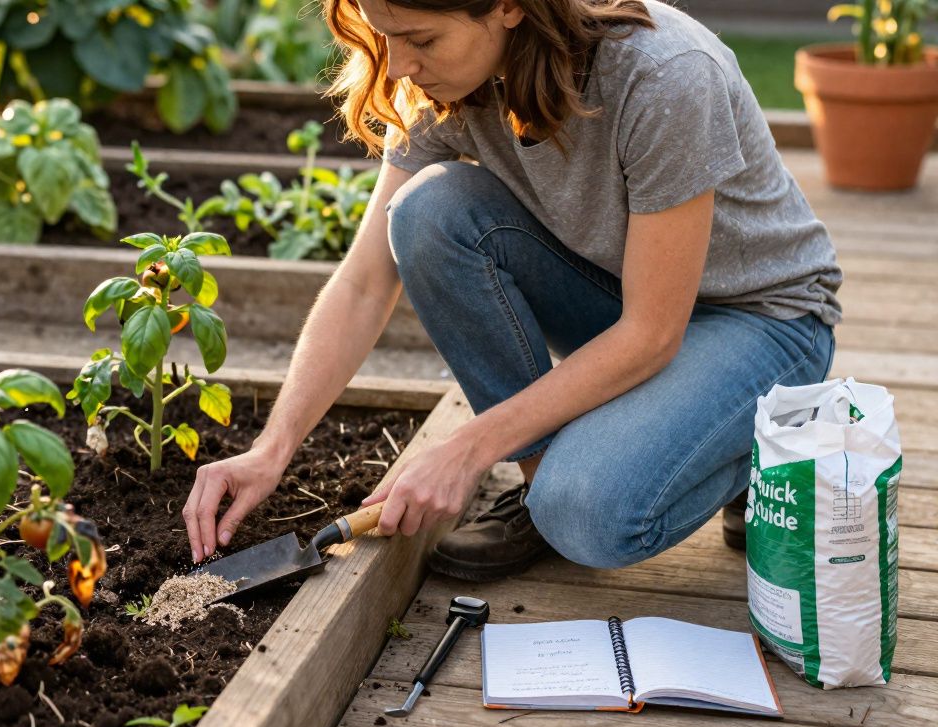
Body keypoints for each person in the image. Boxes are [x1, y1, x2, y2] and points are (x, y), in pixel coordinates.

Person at [181, 0, 841, 580]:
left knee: (587, 515)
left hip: (763, 320)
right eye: (386, 37)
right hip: (620, 295)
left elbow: (652, 333)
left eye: (421, 39)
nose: (399, 65)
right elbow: (363, 282)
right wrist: (272, 449)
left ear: (508, 6)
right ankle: (538, 487)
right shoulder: (438, 85)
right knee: (426, 213)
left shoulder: (664, 74)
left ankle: (761, 442)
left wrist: (466, 449)